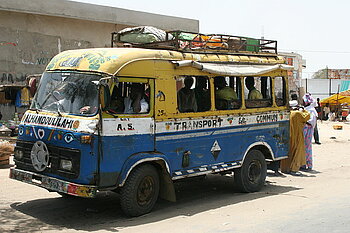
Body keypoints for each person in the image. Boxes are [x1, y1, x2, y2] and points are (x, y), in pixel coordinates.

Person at [280, 108, 310, 176]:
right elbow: (307, 116)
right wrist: (304, 110)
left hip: (288, 135)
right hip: (297, 135)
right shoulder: (297, 113)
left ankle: (285, 169)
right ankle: (294, 169)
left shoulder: (288, 113)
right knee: (297, 152)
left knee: (288, 152)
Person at [301, 93, 318, 171]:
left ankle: (308, 164)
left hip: (307, 129)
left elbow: (311, 121)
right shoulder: (307, 109)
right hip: (305, 128)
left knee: (307, 147)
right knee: (303, 147)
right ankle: (303, 163)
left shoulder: (311, 110)